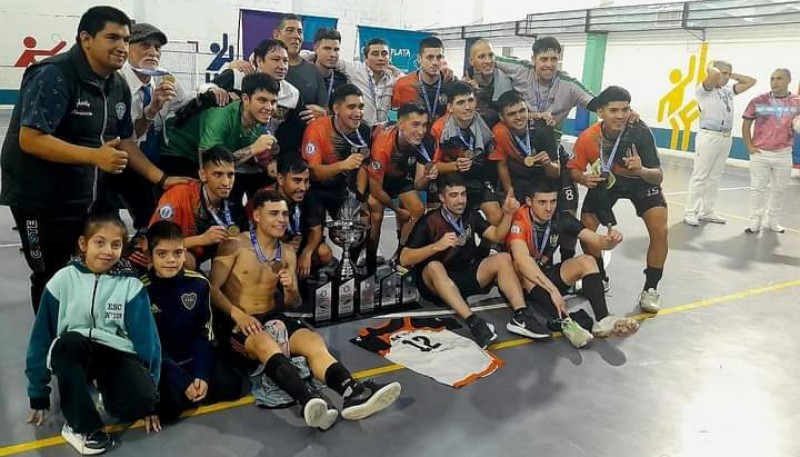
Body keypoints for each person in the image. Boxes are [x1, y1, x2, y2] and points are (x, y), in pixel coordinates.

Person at [0, 6, 186, 314]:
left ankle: (88, 337)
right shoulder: (53, 75)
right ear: (86, 39)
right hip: (40, 199)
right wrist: (93, 156)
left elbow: (127, 141)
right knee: (52, 276)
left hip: (90, 196)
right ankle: (53, 351)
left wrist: (162, 179)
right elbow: (30, 139)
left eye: (126, 39)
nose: (122, 47)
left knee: (101, 267)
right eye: (112, 37)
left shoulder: (117, 85)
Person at [209, 189, 401, 429]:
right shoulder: (234, 245)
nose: (282, 219)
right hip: (237, 323)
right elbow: (213, 289)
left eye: (285, 214)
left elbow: (294, 304)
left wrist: (290, 290)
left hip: (272, 316)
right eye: (274, 214)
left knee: (313, 341)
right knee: (265, 343)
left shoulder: (288, 252)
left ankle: (352, 391)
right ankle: (309, 399)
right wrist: (238, 314)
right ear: (257, 216)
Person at [25, 213, 160, 455]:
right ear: (83, 244)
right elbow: (40, 339)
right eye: (100, 242)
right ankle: (81, 427)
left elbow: (148, 342)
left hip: (114, 352)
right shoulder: (62, 281)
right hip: (74, 349)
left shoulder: (131, 285)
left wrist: (150, 390)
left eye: (116, 245)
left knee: (140, 403)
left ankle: (99, 386)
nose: (108, 251)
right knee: (67, 346)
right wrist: (38, 392)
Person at [400, 173, 550, 349]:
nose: (460, 200)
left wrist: (508, 214)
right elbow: (404, 258)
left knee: (503, 258)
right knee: (434, 266)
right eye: (454, 195)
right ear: (442, 198)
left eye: (463, 194)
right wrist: (436, 247)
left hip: (464, 276)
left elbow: (497, 236)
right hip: (436, 284)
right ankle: (474, 323)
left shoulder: (470, 216)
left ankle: (521, 316)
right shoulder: (429, 221)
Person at [119, 22, 229, 229]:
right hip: (124, 165)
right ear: (127, 48)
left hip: (156, 160)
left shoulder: (162, 77)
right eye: (144, 45)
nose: (152, 52)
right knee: (138, 220)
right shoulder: (118, 82)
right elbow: (127, 139)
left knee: (161, 218)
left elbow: (185, 101)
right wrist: (152, 109)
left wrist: (210, 89)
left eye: (157, 47)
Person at [568, 86, 668, 314]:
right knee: (587, 224)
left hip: (641, 182)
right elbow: (573, 170)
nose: (620, 115)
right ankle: (599, 276)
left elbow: (658, 176)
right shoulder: (588, 138)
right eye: (614, 110)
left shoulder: (640, 132)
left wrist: (641, 170)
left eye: (625, 109)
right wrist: (584, 178)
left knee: (660, 228)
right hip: (608, 181)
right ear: (600, 112)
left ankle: (650, 288)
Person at [507, 180, 639, 349]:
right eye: (542, 202)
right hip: (521, 284)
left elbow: (597, 241)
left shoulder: (561, 218)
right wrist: (552, 289)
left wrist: (611, 241)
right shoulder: (519, 220)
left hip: (544, 277)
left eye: (553, 201)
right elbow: (522, 260)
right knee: (526, 269)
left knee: (588, 261)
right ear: (529, 202)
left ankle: (603, 320)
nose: (548, 208)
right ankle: (567, 323)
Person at [142, 221, 246, 423]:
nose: (171, 260)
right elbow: (148, 347)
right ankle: (181, 392)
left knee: (233, 386)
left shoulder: (198, 284)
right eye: (162, 254)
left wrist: (201, 375)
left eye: (177, 253)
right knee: (169, 409)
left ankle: (195, 388)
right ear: (150, 256)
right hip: (163, 363)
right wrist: (182, 380)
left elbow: (204, 333)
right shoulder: (139, 290)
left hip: (191, 357)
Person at [161, 72, 280, 204]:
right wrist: (252, 149)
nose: (269, 108)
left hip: (210, 155)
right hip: (178, 153)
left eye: (273, 102)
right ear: (246, 99)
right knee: (197, 199)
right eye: (262, 100)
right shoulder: (221, 115)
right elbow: (211, 167)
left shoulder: (261, 120)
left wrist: (269, 164)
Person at [683, 60, 756, 226]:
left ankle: (707, 210)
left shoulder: (728, 91)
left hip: (725, 137)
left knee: (714, 176)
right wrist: (713, 69)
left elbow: (751, 81)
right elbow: (714, 75)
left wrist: (731, 74)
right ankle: (690, 211)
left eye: (728, 74)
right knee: (700, 175)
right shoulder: (704, 90)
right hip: (709, 136)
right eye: (723, 73)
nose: (726, 77)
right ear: (713, 71)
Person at [367, 103, 439, 271]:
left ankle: (400, 255)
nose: (420, 131)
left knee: (417, 209)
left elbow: (418, 184)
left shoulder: (427, 141)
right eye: (415, 124)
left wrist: (428, 177)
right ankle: (369, 264)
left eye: (424, 125)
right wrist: (397, 210)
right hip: (377, 179)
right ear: (400, 124)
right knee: (376, 216)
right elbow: (376, 190)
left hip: (399, 176)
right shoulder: (382, 145)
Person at [150, 147, 244, 270]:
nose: (226, 182)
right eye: (218, 174)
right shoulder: (179, 195)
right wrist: (202, 239)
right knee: (187, 260)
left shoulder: (233, 203)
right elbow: (158, 242)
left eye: (230, 175)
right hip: (156, 260)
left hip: (196, 260)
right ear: (203, 175)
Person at [211, 39, 306, 158]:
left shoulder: (293, 94)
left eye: (285, 61)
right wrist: (213, 90)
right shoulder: (236, 77)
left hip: (264, 163)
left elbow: (293, 133)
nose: (282, 66)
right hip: (221, 156)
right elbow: (203, 91)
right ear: (259, 60)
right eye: (276, 60)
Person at [249, 158, 333, 279]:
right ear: (281, 179)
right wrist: (283, 246)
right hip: (271, 248)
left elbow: (316, 230)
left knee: (323, 252)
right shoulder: (262, 198)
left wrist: (306, 253)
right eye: (297, 181)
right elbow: (254, 238)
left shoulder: (309, 195)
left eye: (306, 181)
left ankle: (306, 281)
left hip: (297, 245)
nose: (303, 187)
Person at [431, 82, 502, 224]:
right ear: (450, 107)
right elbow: (432, 167)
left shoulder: (489, 119)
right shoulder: (439, 129)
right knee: (446, 222)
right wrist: (455, 165)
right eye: (461, 103)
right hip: (451, 178)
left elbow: (513, 116)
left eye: (471, 101)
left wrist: (541, 116)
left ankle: (484, 247)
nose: (468, 107)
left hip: (479, 177)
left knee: (496, 218)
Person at [742, 68, 800, 234]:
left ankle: (772, 220)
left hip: (783, 153)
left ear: (788, 80)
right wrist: (749, 147)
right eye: (772, 78)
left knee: (779, 188)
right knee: (757, 188)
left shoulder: (797, 102)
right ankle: (754, 220)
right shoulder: (759, 101)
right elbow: (746, 124)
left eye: (779, 78)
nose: (775, 81)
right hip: (761, 153)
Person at [301, 84, 372, 219]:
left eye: (361, 107)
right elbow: (313, 173)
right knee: (315, 234)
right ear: (336, 108)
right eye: (351, 107)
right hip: (314, 189)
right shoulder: (317, 129)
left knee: (358, 226)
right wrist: (343, 165)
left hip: (344, 189)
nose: (358, 113)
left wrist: (359, 197)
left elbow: (364, 165)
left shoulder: (364, 130)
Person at [489, 90, 559, 194]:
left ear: (527, 111)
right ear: (501, 117)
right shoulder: (499, 132)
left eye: (522, 111)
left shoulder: (543, 129)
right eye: (512, 114)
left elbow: (556, 173)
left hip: (543, 175)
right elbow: (502, 165)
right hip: (519, 176)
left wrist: (548, 164)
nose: (518, 117)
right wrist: (510, 195)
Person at [272, 14, 328, 119]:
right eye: (290, 30)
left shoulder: (313, 71)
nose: (296, 36)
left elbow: (325, 109)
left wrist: (322, 113)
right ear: (277, 34)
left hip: (305, 133)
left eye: (300, 32)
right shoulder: (265, 66)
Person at [392, 37, 452, 122]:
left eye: (439, 57)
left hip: (442, 134)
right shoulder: (402, 85)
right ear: (419, 59)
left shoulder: (450, 85)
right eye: (429, 57)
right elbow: (394, 119)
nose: (435, 62)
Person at [462, 38, 514, 127]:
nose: (488, 61)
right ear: (471, 61)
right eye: (481, 57)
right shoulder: (464, 85)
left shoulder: (506, 81)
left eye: (491, 55)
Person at [311, 28, 348, 107]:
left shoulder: (341, 81)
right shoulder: (301, 74)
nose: (333, 54)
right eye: (327, 48)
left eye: (336, 49)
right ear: (315, 48)